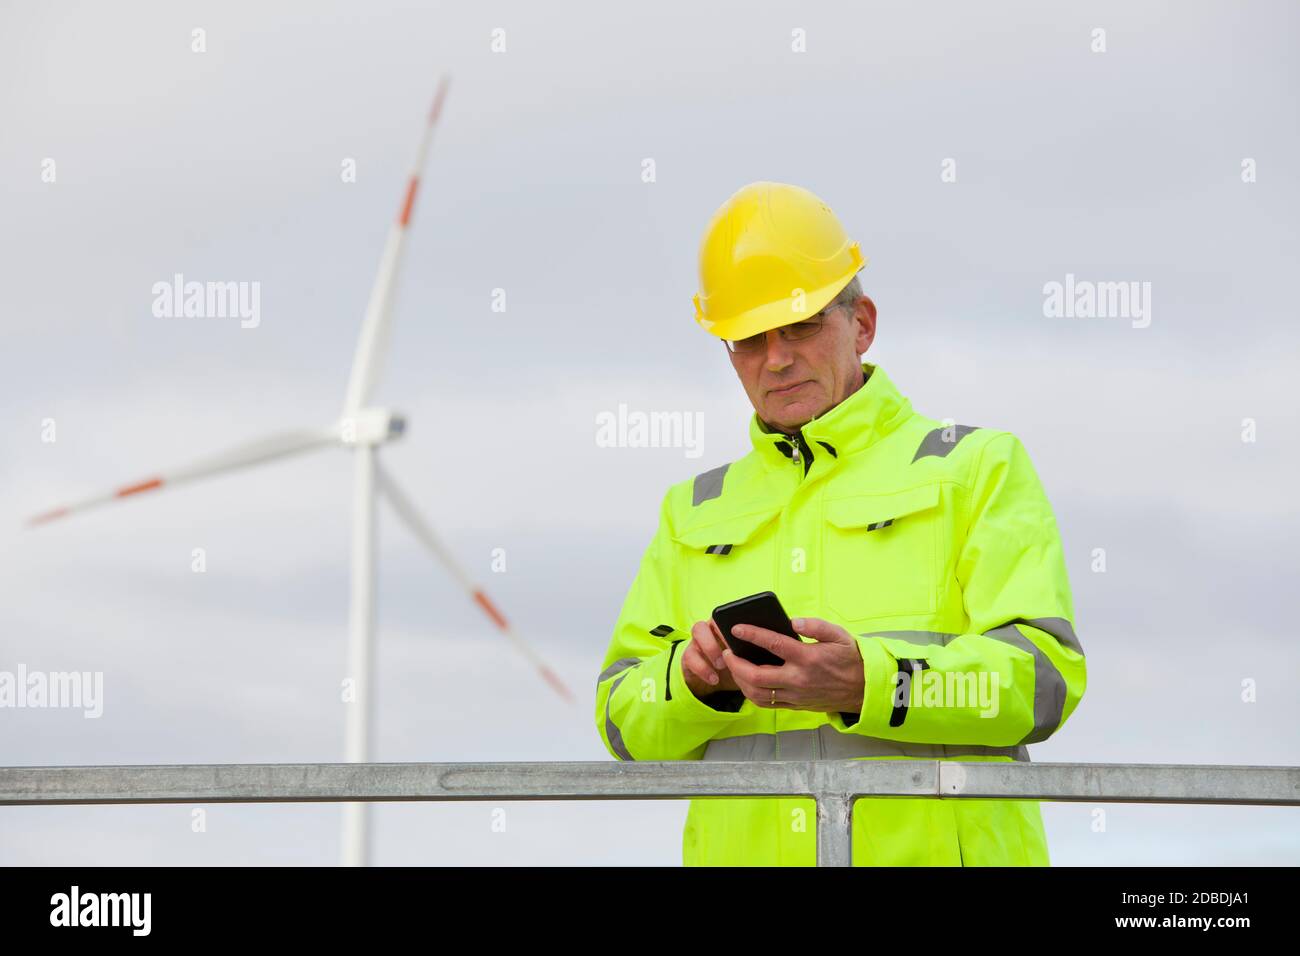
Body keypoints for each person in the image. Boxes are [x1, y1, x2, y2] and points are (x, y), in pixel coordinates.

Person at [594, 181, 1086, 865]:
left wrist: (869, 682)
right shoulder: (693, 510)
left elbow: (1042, 682)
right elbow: (622, 721)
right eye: (748, 338)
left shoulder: (977, 467)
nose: (777, 358)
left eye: (800, 325)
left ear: (862, 324)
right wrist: (693, 682)